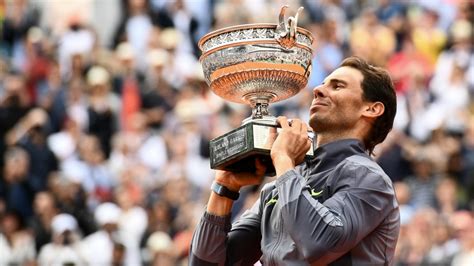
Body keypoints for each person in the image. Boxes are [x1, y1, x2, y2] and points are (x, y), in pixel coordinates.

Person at [189, 56, 400, 265]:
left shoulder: (368, 177)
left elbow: (319, 243)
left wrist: (283, 159)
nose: (318, 90)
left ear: (372, 109)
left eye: (337, 86)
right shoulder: (276, 188)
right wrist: (224, 189)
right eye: (323, 83)